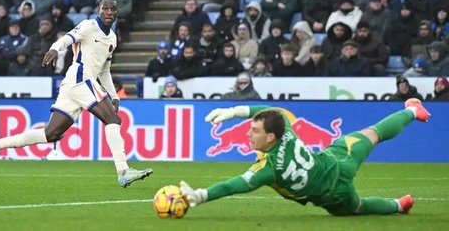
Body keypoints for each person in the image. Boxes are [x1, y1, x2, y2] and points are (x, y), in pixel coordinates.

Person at [0, 0, 153, 188]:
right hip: (80, 80)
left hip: (74, 85)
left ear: (117, 12)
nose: (109, 13)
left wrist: (113, 96)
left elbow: (104, 70)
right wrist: (54, 49)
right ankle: (123, 171)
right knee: (113, 120)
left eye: (113, 10)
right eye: (106, 9)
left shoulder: (112, 38)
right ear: (99, 9)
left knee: (51, 133)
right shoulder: (88, 26)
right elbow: (67, 38)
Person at [181, 99, 429, 215]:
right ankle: (412, 110)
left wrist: (201, 195)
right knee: (374, 133)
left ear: (270, 138)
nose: (248, 133)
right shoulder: (285, 128)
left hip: (333, 192)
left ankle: (398, 205)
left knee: (358, 208)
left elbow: (232, 185)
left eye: (254, 130)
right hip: (335, 158)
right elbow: (274, 112)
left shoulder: (268, 169)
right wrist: (235, 111)